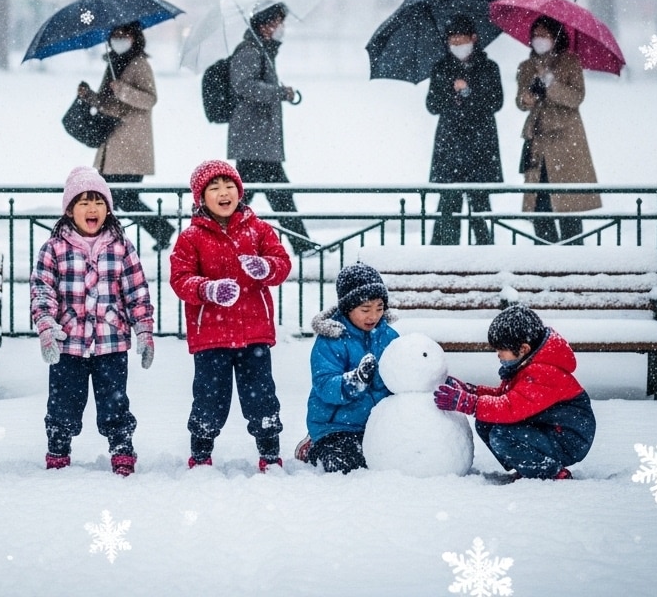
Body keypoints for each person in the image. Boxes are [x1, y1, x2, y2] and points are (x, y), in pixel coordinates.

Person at [30, 166, 154, 476]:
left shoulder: (121, 246)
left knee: (115, 403)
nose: (92, 208)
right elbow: (42, 291)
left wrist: (143, 330)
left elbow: (136, 291)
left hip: (111, 342)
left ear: (108, 209)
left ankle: (122, 447)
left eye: (98, 201)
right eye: (83, 201)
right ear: (70, 210)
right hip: (68, 343)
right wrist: (46, 327)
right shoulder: (53, 248)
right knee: (63, 405)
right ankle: (58, 447)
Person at [169, 159, 292, 471]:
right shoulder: (191, 237)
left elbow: (282, 263)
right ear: (201, 198)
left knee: (262, 398)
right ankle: (200, 454)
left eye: (229, 186)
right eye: (214, 188)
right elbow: (180, 279)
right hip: (211, 336)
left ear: (240, 191)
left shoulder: (259, 230)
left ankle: (269, 453)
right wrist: (208, 290)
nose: (224, 193)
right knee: (209, 400)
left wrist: (266, 268)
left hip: (254, 334)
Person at [433, 305, 596, 481]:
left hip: (568, 439)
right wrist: (471, 391)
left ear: (523, 349)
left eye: (501, 350)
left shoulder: (543, 373)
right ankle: (527, 464)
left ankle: (552, 473)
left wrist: (469, 403)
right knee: (485, 421)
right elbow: (507, 397)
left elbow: (510, 407)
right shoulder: (528, 364)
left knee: (501, 435)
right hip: (546, 427)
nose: (498, 355)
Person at [78, 21, 175, 252]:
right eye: (115, 35)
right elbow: (108, 104)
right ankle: (150, 232)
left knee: (119, 198)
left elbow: (149, 99)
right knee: (113, 197)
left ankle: (111, 242)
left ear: (135, 37)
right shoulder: (112, 64)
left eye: (124, 34)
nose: (119, 39)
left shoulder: (140, 64)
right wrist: (90, 96)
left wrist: (121, 88)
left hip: (131, 145)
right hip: (112, 143)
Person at [227, 3, 314, 256]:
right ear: (264, 25)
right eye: (277, 22)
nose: (281, 28)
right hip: (254, 140)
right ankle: (302, 245)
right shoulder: (250, 50)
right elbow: (243, 86)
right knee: (275, 195)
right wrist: (279, 92)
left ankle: (223, 239)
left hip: (259, 140)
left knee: (248, 199)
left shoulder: (263, 50)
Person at [299, 263, 399, 473]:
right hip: (336, 425)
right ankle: (314, 446)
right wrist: (355, 381)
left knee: (390, 459)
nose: (373, 316)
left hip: (376, 424)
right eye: (365, 310)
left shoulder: (389, 337)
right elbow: (324, 383)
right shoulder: (332, 339)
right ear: (347, 308)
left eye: (379, 308)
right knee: (346, 465)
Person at [516, 15, 600, 244]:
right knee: (539, 208)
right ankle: (547, 259)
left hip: (566, 143)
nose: (539, 39)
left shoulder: (570, 63)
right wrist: (529, 97)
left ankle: (573, 261)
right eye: (536, 35)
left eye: (544, 35)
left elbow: (576, 98)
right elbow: (521, 101)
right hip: (538, 144)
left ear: (556, 37)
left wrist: (551, 84)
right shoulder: (527, 67)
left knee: (567, 206)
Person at [426, 14, 503, 245]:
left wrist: (470, 92)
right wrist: (451, 93)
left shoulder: (488, 68)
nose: (457, 46)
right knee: (449, 204)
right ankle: (444, 255)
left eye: (461, 41)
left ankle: (484, 254)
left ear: (473, 38)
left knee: (479, 206)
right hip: (450, 144)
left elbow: (495, 102)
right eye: (453, 42)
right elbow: (432, 104)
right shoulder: (441, 68)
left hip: (480, 144)